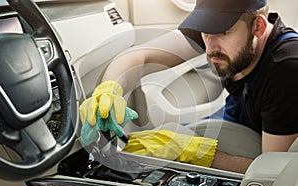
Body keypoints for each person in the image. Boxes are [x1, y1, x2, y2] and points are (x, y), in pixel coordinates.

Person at [79, 0, 298, 174]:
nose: (210, 47)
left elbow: (274, 173)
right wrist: (109, 89)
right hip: (242, 119)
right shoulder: (217, 28)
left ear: (258, 27)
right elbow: (142, 57)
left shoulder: (286, 71)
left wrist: (190, 151)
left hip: (269, 148)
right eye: (205, 32)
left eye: (223, 33)